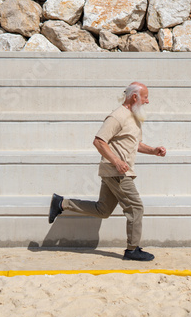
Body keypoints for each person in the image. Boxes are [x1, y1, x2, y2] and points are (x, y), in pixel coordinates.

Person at [48, 82, 167, 261]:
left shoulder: (134, 117)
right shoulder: (117, 116)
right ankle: (132, 250)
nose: (147, 101)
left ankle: (61, 203)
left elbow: (135, 144)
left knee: (102, 210)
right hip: (117, 172)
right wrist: (117, 161)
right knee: (135, 207)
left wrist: (153, 150)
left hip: (117, 171)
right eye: (145, 97)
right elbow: (99, 141)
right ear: (135, 97)